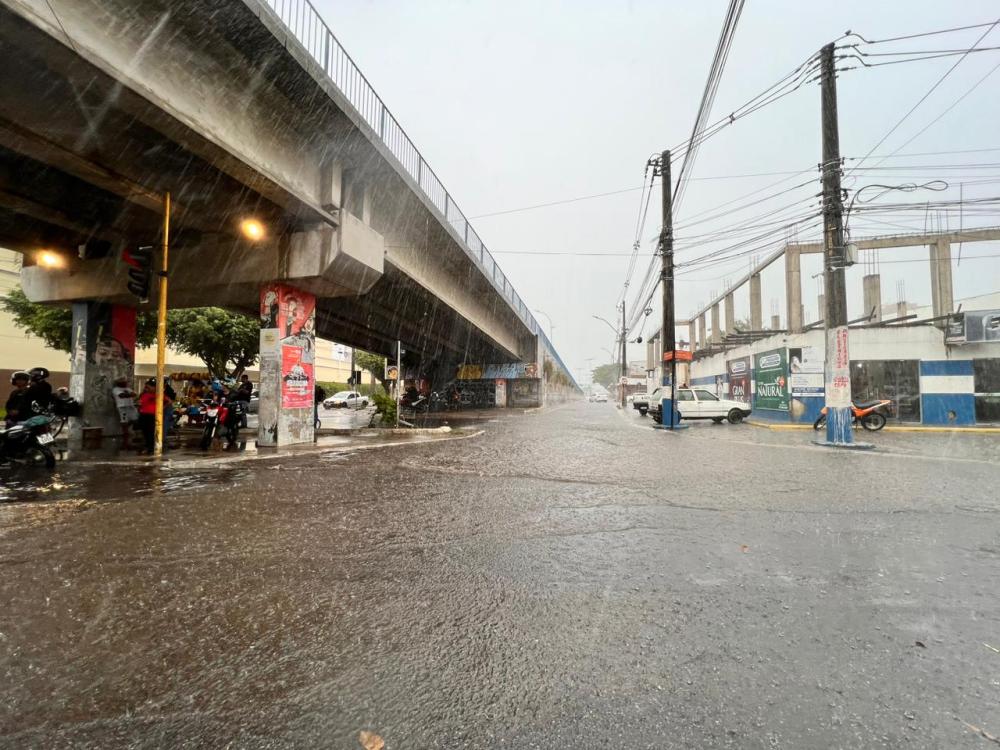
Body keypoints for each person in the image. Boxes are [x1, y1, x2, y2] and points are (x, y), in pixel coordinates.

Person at [111, 377, 138, 450]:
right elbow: (121, 395)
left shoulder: (128, 389)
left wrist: (129, 394)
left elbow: (134, 394)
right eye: (125, 382)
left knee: (135, 419)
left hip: (130, 406)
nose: (126, 383)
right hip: (122, 407)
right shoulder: (116, 389)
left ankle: (128, 430)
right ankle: (125, 440)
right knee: (124, 422)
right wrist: (129, 395)